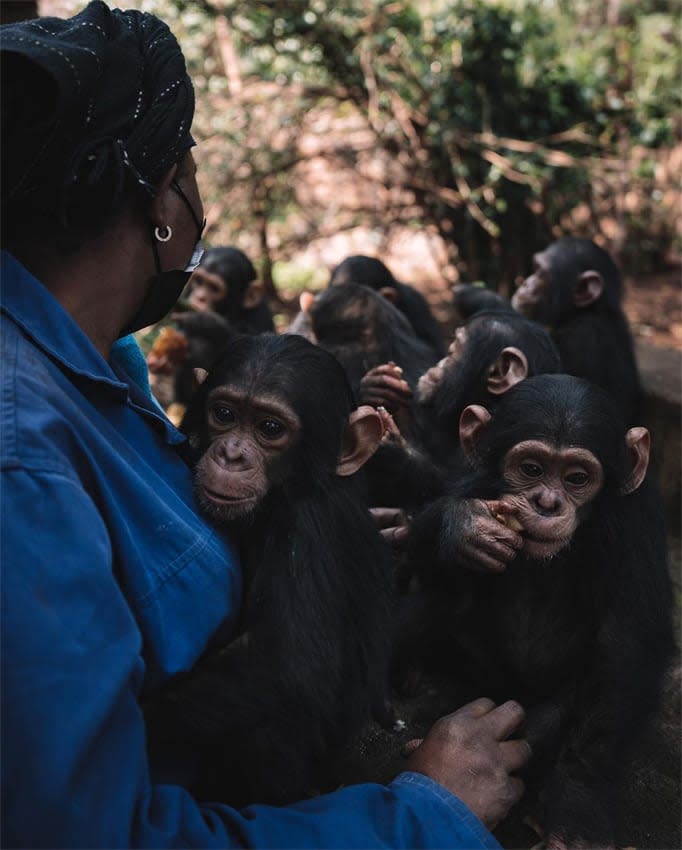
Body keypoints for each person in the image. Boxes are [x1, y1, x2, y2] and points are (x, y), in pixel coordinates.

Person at [0, 3, 529, 847]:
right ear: (161, 198)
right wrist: (420, 817)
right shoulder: (23, 461)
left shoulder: (98, 359)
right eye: (195, 168)